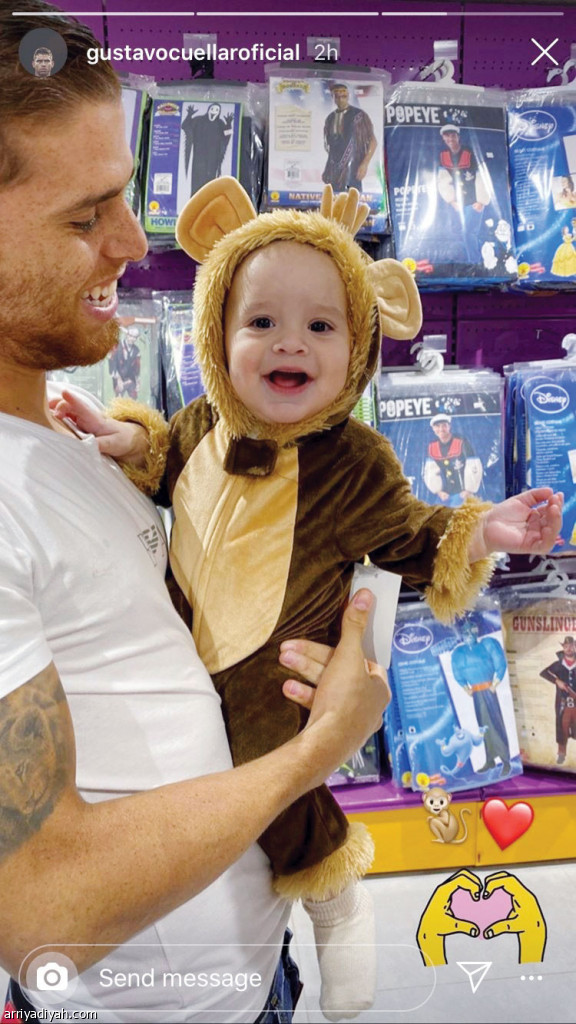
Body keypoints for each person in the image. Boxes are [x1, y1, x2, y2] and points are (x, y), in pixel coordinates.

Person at [62, 175, 564, 1019]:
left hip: (275, 677)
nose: (289, 343)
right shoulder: (201, 423)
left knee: (279, 791)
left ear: (359, 346)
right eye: (260, 322)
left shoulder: (353, 460)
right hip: (183, 657)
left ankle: (334, 895)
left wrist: (486, 531)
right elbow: (166, 463)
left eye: (321, 326)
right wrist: (124, 438)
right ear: (216, 334)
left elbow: (412, 533)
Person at [0, 5, 390, 1023]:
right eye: (86, 217)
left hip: (251, 976)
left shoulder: (61, 437)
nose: (135, 241)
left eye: (126, 197)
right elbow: (42, 911)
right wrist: (318, 748)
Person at [450, 619, 511, 775]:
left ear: (476, 631)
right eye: (465, 633)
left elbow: (500, 663)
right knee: (483, 726)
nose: (469, 635)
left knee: (495, 723)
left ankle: (505, 760)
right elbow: (458, 672)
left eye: (471, 631)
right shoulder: (459, 653)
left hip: (488, 691)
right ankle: (490, 759)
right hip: (477, 694)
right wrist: (466, 688)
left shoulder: (487, 644)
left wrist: (495, 683)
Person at [437, 124, 491, 265]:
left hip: (474, 201)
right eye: (447, 135)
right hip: (457, 203)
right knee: (461, 233)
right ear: (443, 138)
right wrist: (451, 200)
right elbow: (443, 180)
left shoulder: (471, 153)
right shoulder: (443, 156)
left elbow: (482, 176)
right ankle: (479, 258)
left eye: (453, 135)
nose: (450, 138)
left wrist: (481, 200)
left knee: (469, 232)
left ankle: (476, 263)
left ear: (458, 136)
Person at [322, 83, 377, 193]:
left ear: (348, 96)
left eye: (343, 96)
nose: (340, 99)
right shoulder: (330, 118)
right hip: (334, 169)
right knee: (334, 197)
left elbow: (372, 141)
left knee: (353, 197)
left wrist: (364, 164)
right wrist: (328, 168)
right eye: (337, 96)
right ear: (333, 97)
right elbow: (330, 146)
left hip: (353, 167)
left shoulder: (359, 115)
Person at [422, 413, 483, 506]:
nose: (441, 429)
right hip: (445, 495)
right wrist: (439, 492)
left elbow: (473, 466)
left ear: (449, 426)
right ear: (433, 429)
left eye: (444, 425)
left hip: (463, 493)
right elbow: (431, 471)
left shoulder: (462, 442)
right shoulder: (432, 446)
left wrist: (468, 491)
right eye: (437, 426)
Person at [181, 101, 234, 197]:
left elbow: (227, 135)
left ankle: (208, 201)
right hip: (199, 158)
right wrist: (189, 115)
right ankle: (194, 201)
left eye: (217, 110)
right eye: (212, 109)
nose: (214, 111)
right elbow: (185, 126)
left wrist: (229, 124)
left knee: (210, 182)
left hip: (213, 160)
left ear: (219, 112)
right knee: (197, 181)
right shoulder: (199, 120)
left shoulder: (220, 123)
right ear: (209, 110)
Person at [540, 636, 576, 765]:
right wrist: (557, 681)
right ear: (563, 648)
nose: (569, 648)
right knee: (562, 728)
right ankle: (561, 754)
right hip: (563, 704)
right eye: (566, 646)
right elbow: (543, 673)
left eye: (571, 646)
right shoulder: (558, 665)